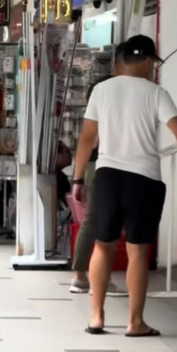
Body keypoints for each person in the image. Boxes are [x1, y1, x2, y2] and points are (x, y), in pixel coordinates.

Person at [72, 35, 177, 336]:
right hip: (143, 180)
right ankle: (135, 322)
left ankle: (96, 317)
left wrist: (78, 178)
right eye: (153, 64)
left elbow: (87, 139)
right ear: (146, 62)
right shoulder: (156, 93)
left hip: (107, 177)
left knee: (102, 247)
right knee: (138, 252)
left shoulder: (101, 90)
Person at [69, 72, 115, 294]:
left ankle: (86, 275)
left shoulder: (93, 114)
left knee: (96, 220)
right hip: (102, 167)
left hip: (95, 167)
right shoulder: (104, 116)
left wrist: (78, 178)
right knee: (98, 221)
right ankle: (86, 276)